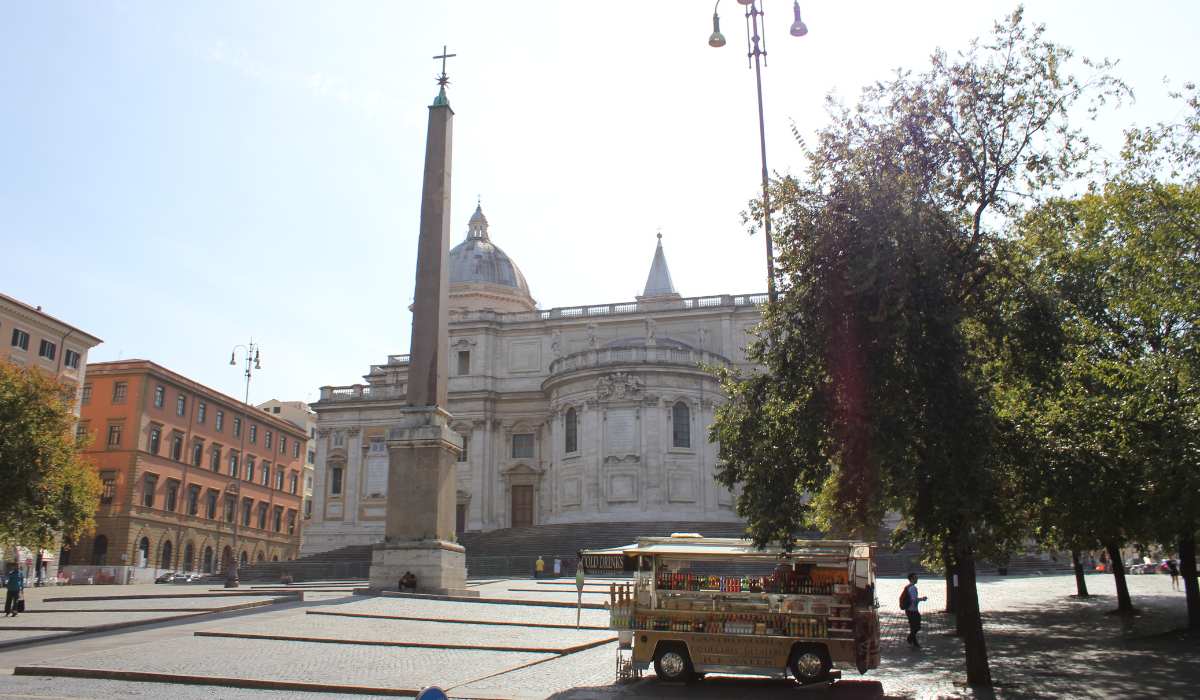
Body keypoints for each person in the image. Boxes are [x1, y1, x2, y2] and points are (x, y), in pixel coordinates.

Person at [902, 573, 928, 648]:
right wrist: (922, 599)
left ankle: (914, 641)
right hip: (912, 610)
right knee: (917, 626)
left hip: (909, 609)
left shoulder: (908, 587)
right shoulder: (912, 588)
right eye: (916, 577)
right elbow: (914, 599)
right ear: (912, 579)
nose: (917, 579)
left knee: (913, 626)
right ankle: (910, 638)